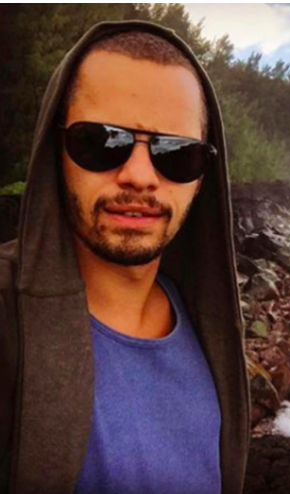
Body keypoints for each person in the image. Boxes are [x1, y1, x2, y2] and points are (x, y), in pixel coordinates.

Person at [0, 21, 250, 494]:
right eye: (102, 142)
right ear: (55, 149)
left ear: (203, 175)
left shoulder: (209, 329)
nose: (140, 175)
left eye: (176, 153)